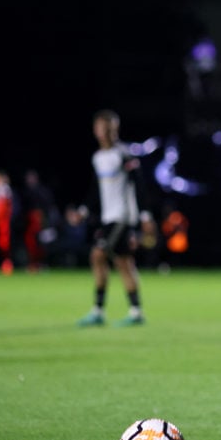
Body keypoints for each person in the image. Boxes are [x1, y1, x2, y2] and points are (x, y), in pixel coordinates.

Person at [77, 110, 156, 327]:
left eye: (111, 128)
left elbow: (139, 186)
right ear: (96, 130)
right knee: (124, 263)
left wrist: (145, 216)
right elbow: (95, 190)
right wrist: (83, 211)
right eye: (103, 127)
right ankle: (135, 312)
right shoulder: (98, 157)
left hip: (122, 217)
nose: (108, 132)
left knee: (98, 255)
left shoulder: (124, 154)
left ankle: (98, 310)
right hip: (107, 217)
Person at [21, 169, 59, 272]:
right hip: (30, 223)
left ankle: (42, 264)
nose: (30, 180)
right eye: (28, 178)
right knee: (31, 244)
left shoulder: (43, 191)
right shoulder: (25, 192)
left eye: (32, 178)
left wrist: (46, 222)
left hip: (42, 223)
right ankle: (32, 264)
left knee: (42, 244)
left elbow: (48, 207)